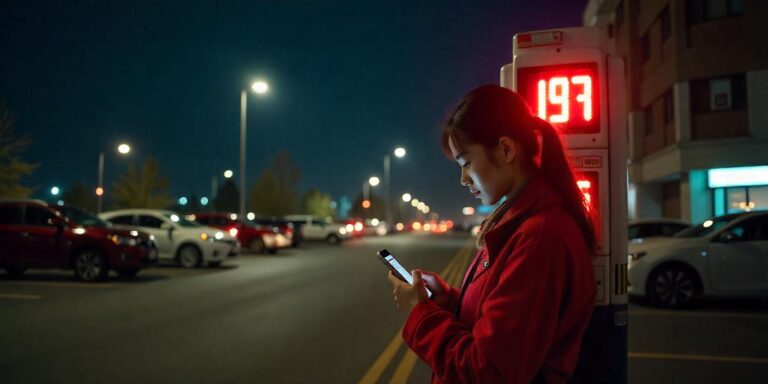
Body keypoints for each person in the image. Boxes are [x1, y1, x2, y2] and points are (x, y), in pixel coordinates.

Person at [386, 85, 597, 383]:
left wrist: (420, 312)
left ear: (506, 150)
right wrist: (447, 299)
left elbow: (487, 371)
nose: (462, 178)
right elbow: (500, 320)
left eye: (466, 162)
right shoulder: (520, 224)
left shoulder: (539, 238)